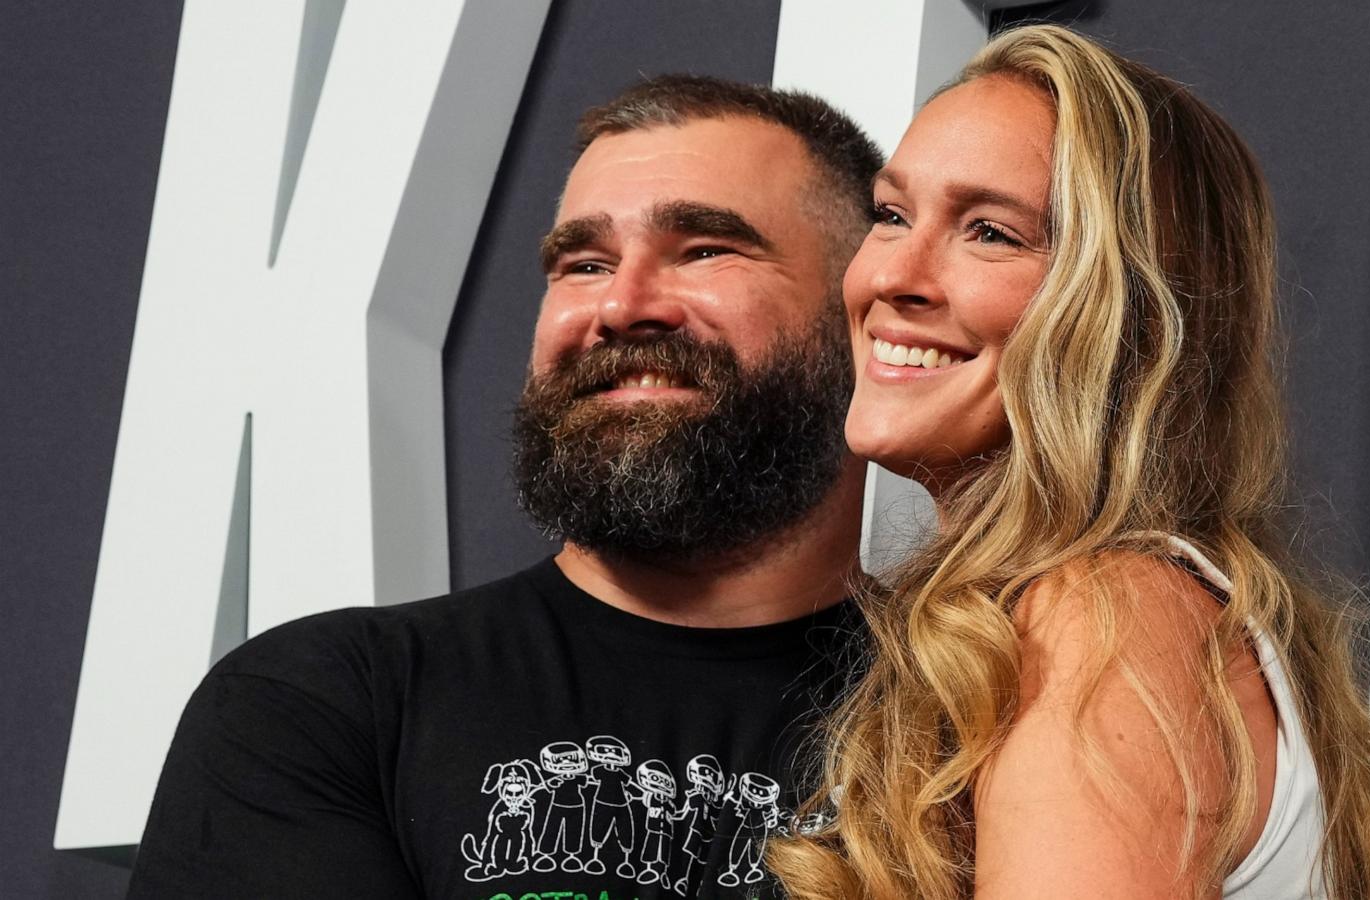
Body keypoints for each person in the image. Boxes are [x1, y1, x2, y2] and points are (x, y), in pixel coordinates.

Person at [767, 24, 1370, 900]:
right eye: (891, 214)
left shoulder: (1102, 619)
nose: (893, 278)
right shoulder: (1104, 609)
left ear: (1131, 311)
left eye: (990, 232)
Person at [127, 75, 882, 900]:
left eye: (704, 250)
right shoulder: (325, 704)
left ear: (867, 314)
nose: (622, 305)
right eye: (584, 264)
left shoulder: (985, 714)